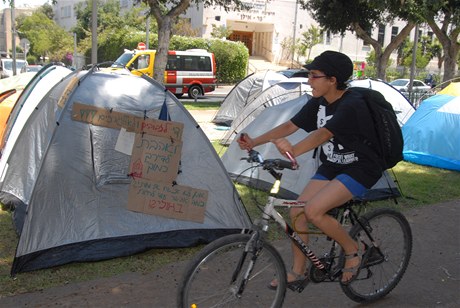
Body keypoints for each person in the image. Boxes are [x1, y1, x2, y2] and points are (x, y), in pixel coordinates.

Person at [237, 50, 383, 287]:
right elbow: (289, 126)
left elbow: (323, 134)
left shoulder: (352, 104)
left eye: (314, 75)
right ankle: (298, 270)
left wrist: (292, 151)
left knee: (313, 211)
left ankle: (352, 250)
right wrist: (254, 141)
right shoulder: (319, 102)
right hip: (334, 164)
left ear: (332, 80)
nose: (308, 81)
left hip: (361, 167)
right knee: (297, 213)